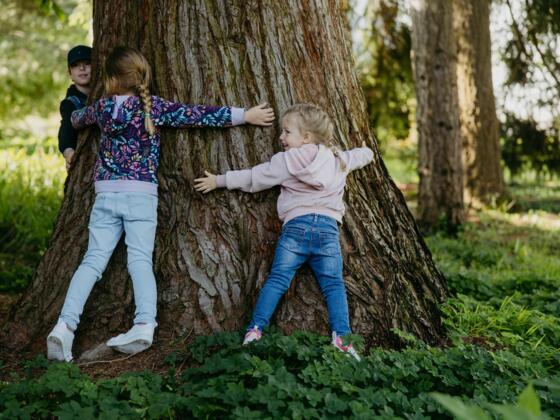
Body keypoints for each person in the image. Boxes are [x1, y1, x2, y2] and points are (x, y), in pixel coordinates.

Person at [46, 46, 275, 362]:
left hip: (106, 193)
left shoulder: (101, 108)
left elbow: (74, 118)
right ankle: (144, 324)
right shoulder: (152, 107)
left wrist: (68, 136)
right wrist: (244, 115)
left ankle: (64, 327)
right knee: (139, 260)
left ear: (111, 79)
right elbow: (197, 115)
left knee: (93, 261)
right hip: (140, 194)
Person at [194, 103, 373, 360]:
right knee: (334, 285)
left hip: (296, 229)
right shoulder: (337, 159)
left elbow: (254, 177)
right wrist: (368, 151)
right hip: (327, 231)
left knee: (278, 280)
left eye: (287, 132)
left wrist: (219, 180)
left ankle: (255, 330)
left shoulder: (286, 161)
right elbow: (357, 157)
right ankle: (343, 340)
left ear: (306, 137)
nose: (281, 137)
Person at [58, 45, 92, 171]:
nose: (82, 68)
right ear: (70, 74)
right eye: (76, 65)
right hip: (85, 158)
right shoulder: (70, 103)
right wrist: (69, 152)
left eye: (87, 63)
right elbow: (65, 130)